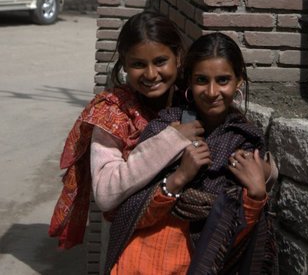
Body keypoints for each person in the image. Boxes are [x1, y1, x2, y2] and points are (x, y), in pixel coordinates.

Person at [105, 32, 278, 274]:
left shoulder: (246, 142)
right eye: (201, 80)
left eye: (223, 80)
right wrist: (179, 177)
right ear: (189, 81)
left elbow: (235, 236)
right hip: (140, 264)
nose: (211, 91)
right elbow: (128, 214)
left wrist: (257, 194)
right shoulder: (165, 129)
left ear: (239, 81)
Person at [49, 11, 205, 249]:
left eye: (160, 61)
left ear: (178, 57)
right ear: (124, 64)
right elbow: (105, 193)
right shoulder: (112, 113)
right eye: (138, 64)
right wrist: (171, 141)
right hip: (133, 242)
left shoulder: (197, 99)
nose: (151, 74)